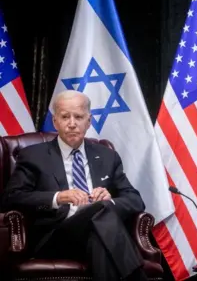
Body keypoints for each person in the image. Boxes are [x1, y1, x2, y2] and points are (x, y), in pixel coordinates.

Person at [1, 90, 148, 281]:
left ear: (89, 121)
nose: (72, 124)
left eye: (78, 117)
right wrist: (57, 197)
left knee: (101, 222)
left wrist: (109, 200)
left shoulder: (107, 156)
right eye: (65, 117)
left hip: (98, 234)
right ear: (55, 122)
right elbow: (11, 199)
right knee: (102, 215)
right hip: (56, 237)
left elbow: (135, 200)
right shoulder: (33, 156)